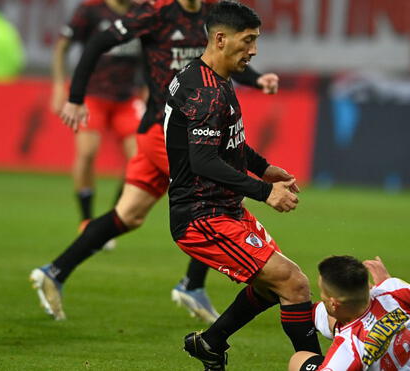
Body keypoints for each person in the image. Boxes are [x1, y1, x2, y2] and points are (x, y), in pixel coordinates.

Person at [29, 0, 279, 323]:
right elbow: (96, 43)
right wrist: (76, 97)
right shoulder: (155, 12)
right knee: (217, 190)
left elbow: (225, 59)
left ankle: (55, 271)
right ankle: (192, 284)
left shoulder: (213, 14)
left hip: (169, 132)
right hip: (166, 131)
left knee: (128, 215)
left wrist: (256, 79)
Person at [164, 3, 321, 369]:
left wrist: (264, 168)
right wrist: (266, 193)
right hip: (201, 217)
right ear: (221, 39)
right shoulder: (205, 92)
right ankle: (319, 365)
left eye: (256, 41)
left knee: (273, 285)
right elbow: (204, 161)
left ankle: (211, 342)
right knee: (293, 283)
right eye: (248, 40)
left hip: (223, 209)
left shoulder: (209, 77)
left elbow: (226, 143)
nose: (254, 50)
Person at [52, 0, 143, 249]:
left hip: (126, 97)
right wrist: (60, 85)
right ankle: (86, 219)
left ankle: (110, 222)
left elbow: (151, 50)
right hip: (92, 95)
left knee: (137, 159)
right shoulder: (91, 9)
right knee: (87, 152)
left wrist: (148, 87)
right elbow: (62, 45)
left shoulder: (141, 11)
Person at [288, 256, 410, 371]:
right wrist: (390, 282)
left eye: (323, 295)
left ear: (333, 303)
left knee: (298, 359)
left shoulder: (348, 349)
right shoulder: (396, 290)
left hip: (356, 347)